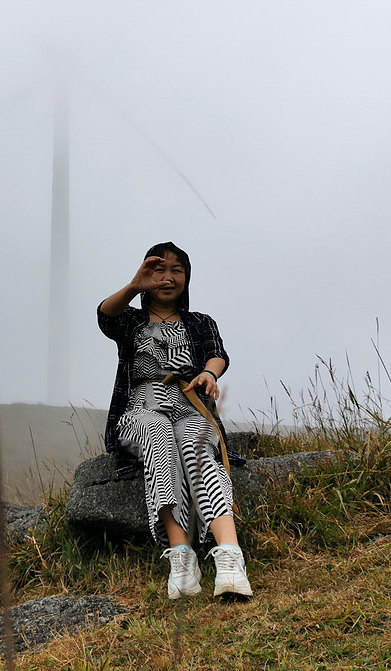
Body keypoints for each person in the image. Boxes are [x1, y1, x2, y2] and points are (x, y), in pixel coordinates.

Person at [98, 241, 253, 600]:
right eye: (158, 270)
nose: (168, 278)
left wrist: (209, 375)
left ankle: (230, 557)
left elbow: (217, 354)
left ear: (187, 277)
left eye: (177, 270)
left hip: (189, 404)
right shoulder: (131, 321)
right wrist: (134, 285)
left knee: (198, 449)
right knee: (158, 436)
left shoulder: (199, 321)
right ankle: (181, 557)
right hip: (141, 408)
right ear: (147, 275)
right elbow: (106, 316)